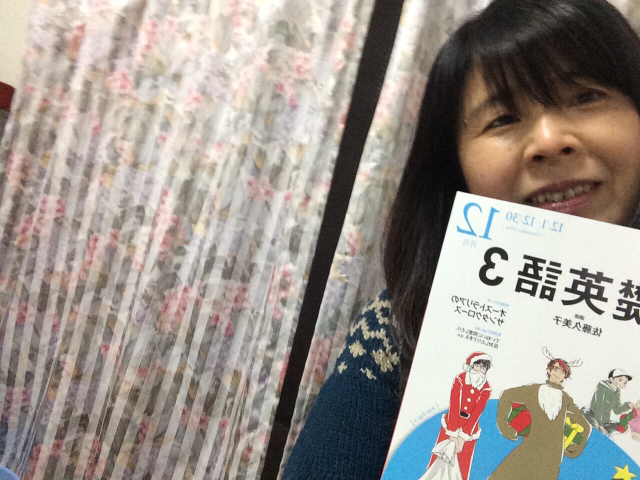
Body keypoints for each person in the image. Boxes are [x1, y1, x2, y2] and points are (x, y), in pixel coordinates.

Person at [283, 0, 640, 477]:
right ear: (456, 165)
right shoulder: (402, 319)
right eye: (503, 119)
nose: (550, 140)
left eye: (585, 97)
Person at [489, 356, 590, 479]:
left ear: (565, 376)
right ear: (549, 370)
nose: (558, 374)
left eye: (562, 372)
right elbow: (506, 395)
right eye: (556, 369)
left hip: (553, 454)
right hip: (531, 444)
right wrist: (505, 428)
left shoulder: (566, 399)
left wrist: (575, 449)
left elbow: (585, 426)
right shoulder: (533, 390)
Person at [420, 353, 491, 480]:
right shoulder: (460, 379)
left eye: (483, 368)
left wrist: (463, 437)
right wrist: (452, 432)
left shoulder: (486, 388)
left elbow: (477, 413)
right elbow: (454, 404)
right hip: (451, 423)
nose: (480, 370)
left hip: (470, 429)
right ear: (472, 365)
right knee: (440, 459)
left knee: (462, 463)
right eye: (478, 366)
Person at [581, 369, 640, 435]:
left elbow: (616, 410)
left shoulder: (616, 392)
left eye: (625, 382)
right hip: (593, 417)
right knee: (596, 429)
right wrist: (600, 424)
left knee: (623, 427)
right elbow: (598, 406)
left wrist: (628, 405)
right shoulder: (602, 388)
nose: (622, 383)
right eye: (620, 380)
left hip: (605, 422)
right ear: (611, 379)